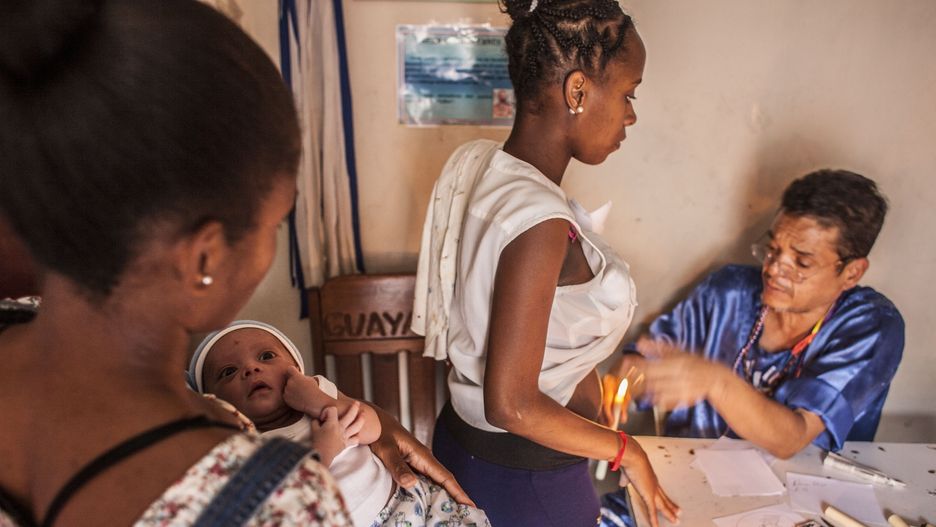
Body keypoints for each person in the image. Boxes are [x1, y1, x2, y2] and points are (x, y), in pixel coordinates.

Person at [0, 1, 466, 525]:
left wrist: (365, 415)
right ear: (206, 257)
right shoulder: (280, 501)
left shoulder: (18, 323)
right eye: (275, 224)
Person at [412, 1, 680, 525]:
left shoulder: (478, 166)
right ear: (577, 91)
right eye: (628, 93)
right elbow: (511, 404)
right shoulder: (538, 221)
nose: (630, 114)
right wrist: (626, 450)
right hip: (527, 486)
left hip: (470, 451)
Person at [610, 170, 904, 459]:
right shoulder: (728, 292)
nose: (774, 269)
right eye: (773, 249)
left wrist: (716, 382)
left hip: (803, 487)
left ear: (852, 273)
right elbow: (639, 365)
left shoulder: (871, 326)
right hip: (690, 471)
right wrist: (627, 381)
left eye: (801, 263)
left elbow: (793, 439)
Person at [188, 320, 491, 527]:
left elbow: (373, 429)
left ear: (296, 369)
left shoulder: (318, 391)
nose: (251, 369)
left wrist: (320, 402)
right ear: (213, 402)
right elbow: (277, 502)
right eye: (228, 372)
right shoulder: (240, 443)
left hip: (402, 504)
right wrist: (323, 451)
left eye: (266, 356)